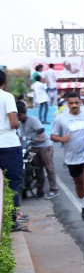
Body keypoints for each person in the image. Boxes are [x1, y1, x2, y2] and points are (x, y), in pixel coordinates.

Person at [51, 90, 84, 223]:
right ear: (67, 103)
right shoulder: (61, 118)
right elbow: (52, 136)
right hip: (72, 156)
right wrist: (62, 138)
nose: (74, 105)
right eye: (71, 103)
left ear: (81, 102)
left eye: (76, 102)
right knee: (79, 183)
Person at [17, 101, 59, 199]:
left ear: (24, 113)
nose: (18, 117)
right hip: (33, 147)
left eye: (20, 115)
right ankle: (40, 192)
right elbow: (21, 136)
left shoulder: (33, 120)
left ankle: (54, 189)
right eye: (17, 116)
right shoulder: (19, 123)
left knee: (49, 168)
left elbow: (41, 132)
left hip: (44, 146)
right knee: (38, 170)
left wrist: (36, 139)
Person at [0, 72, 25, 227]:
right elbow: (13, 123)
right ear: (5, 81)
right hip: (8, 144)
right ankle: (11, 221)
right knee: (12, 183)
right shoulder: (7, 96)